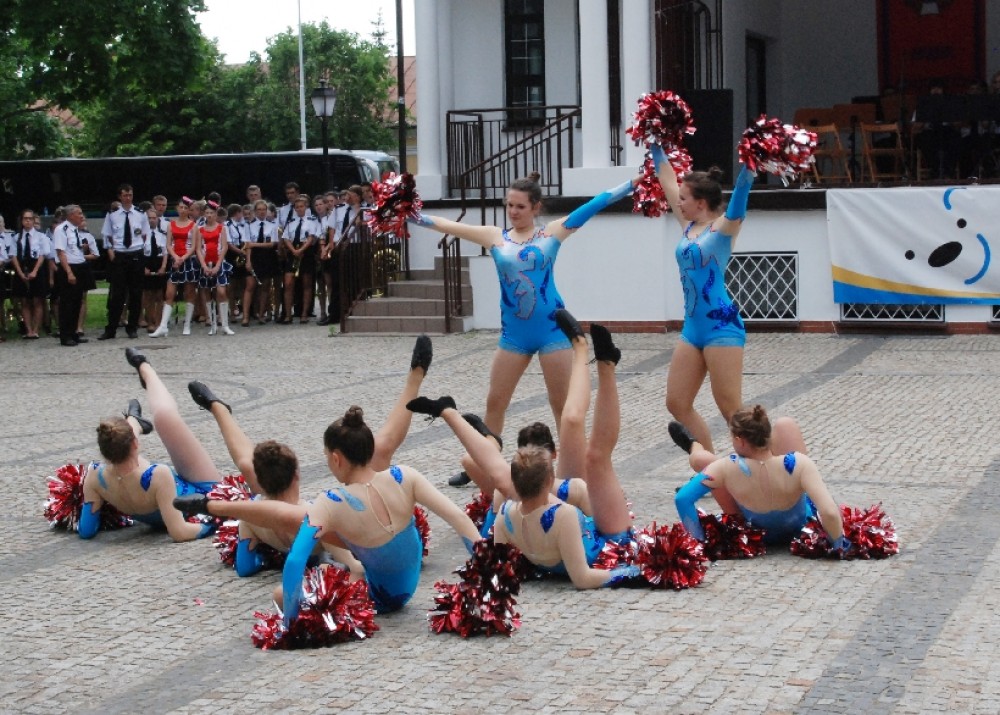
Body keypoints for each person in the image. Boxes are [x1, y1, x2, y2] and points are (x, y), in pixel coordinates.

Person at [409, 171, 640, 486]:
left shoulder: (551, 234)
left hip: (552, 331)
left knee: (562, 406)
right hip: (514, 336)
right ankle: (481, 462)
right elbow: (446, 225)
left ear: (535, 207)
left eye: (520, 206)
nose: (513, 212)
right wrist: (407, 214)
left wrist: (630, 185)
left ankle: (573, 470)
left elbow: (592, 206)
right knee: (496, 401)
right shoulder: (495, 237)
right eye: (509, 205)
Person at [420, 309, 636, 588]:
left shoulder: (508, 508)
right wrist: (636, 572)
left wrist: (449, 414)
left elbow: (487, 546)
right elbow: (582, 576)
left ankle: (581, 348)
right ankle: (605, 365)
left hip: (553, 514)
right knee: (597, 457)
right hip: (611, 546)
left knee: (570, 423)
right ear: (550, 476)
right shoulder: (553, 510)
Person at [651, 145, 753, 453]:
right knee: (677, 402)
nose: (678, 202)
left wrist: (749, 168)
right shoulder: (688, 226)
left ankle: (763, 467)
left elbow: (738, 206)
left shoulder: (723, 229)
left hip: (722, 327)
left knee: (731, 409)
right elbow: (667, 178)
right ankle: (711, 466)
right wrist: (655, 142)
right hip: (692, 328)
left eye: (684, 199)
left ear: (701, 202)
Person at [79, 348, 223, 541]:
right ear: (135, 444)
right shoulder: (156, 475)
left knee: (137, 441)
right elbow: (179, 532)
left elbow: (86, 530)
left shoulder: (95, 476)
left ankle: (134, 421)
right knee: (164, 417)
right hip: (205, 494)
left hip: (134, 485)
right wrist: (214, 523)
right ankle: (144, 368)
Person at [670, 407, 847, 549]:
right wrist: (838, 546)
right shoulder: (800, 463)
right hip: (801, 530)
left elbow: (682, 498)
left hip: (755, 536)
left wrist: (698, 543)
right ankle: (694, 445)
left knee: (701, 459)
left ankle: (695, 446)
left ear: (739, 441)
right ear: (768, 435)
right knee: (786, 424)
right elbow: (830, 512)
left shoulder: (725, 467)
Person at [99, 184, 150, 340]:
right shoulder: (112, 215)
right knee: (117, 294)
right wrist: (112, 253)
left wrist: (144, 253)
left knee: (136, 293)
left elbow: (146, 234)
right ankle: (111, 328)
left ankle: (132, 327)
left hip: (136, 253)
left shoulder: (140, 214)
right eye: (125, 195)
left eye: (130, 195)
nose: (128, 198)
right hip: (120, 255)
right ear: (120, 197)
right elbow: (107, 235)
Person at [150, 197, 199, 337]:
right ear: (177, 208)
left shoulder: (193, 226)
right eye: (181, 207)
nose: (183, 210)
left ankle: (187, 324)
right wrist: (176, 257)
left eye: (185, 208)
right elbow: (168, 244)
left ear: (189, 210)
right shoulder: (171, 225)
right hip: (175, 260)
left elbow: (194, 246)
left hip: (188, 260)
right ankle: (163, 325)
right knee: (169, 293)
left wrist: (183, 258)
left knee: (189, 292)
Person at [52, 205, 92, 346]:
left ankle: (74, 332)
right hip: (69, 267)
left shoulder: (75, 229)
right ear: (70, 215)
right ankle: (65, 335)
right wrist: (69, 272)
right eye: (79, 213)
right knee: (67, 303)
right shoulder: (61, 229)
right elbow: (61, 252)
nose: (81, 216)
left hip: (79, 265)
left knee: (77, 301)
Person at [9, 208, 52, 339]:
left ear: (34, 220)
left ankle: (36, 329)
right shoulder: (16, 237)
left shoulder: (41, 237)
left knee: (37, 300)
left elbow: (42, 255)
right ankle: (28, 330)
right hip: (22, 267)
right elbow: (13, 255)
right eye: (25, 219)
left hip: (36, 267)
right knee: (24, 301)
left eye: (30, 219)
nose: (27, 221)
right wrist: (20, 273)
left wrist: (35, 271)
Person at [194, 201, 234, 335]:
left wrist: (218, 265)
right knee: (207, 292)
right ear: (204, 214)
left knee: (221, 292)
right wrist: (204, 265)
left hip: (218, 262)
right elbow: (198, 249)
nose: (209, 215)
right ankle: (212, 323)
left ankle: (225, 324)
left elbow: (224, 247)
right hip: (206, 263)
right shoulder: (200, 229)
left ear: (216, 214)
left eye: (211, 213)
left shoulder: (222, 228)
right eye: (207, 213)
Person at [280, 195, 320, 324]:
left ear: (306, 207)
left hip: (306, 252)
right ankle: (288, 314)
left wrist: (301, 250)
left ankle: (304, 314)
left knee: (306, 283)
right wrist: (293, 251)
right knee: (288, 283)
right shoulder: (291, 222)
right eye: (297, 207)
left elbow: (311, 237)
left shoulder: (312, 220)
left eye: (301, 206)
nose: (299, 209)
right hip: (293, 252)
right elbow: (286, 238)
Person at [242, 199, 281, 325]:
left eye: (264, 209)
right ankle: (245, 316)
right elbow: (247, 245)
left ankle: (261, 314)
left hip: (267, 257)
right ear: (255, 211)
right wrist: (248, 261)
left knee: (265, 286)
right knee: (250, 286)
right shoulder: (249, 225)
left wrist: (254, 244)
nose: (262, 212)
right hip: (254, 257)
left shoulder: (272, 225)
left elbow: (272, 244)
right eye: (259, 209)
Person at [142, 205, 169, 332]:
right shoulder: (142, 235)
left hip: (159, 264)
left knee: (160, 295)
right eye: (149, 218)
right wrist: (143, 267)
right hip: (147, 264)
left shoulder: (162, 235)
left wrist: (163, 267)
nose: (152, 220)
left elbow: (165, 253)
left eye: (154, 218)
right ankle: (150, 321)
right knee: (148, 296)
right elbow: (139, 252)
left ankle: (159, 322)